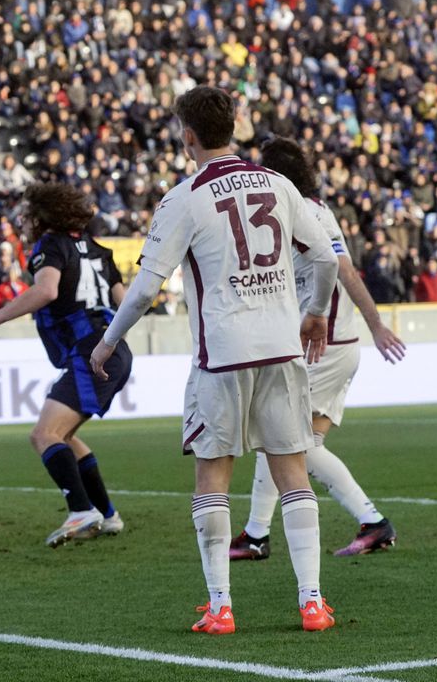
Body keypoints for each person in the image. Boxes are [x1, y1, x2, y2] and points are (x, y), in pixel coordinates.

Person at [90, 86, 340, 634]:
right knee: (293, 474)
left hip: (222, 355)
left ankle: (222, 608)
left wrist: (107, 341)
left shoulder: (184, 198)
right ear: (235, 126)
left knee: (213, 478)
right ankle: (312, 603)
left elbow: (145, 290)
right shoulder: (277, 184)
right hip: (281, 349)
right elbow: (325, 256)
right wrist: (317, 312)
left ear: (188, 136)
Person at [229, 139, 405, 561]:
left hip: (324, 346)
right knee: (286, 438)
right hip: (330, 345)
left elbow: (342, 269)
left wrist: (377, 324)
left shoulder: (303, 211)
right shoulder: (307, 208)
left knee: (288, 439)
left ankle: (371, 521)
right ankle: (256, 534)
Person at [0, 183, 129, 546]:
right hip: (113, 349)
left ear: (44, 216)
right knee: (64, 435)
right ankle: (108, 514)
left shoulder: (50, 245)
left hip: (89, 352)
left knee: (43, 435)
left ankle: (81, 511)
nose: (21, 219)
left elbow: (47, 290)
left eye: (26, 213)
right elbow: (127, 302)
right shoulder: (100, 250)